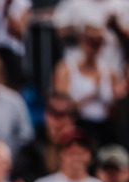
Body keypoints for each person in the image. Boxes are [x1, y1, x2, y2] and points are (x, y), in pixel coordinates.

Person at [52, 16, 123, 145]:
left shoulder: (110, 73)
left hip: (104, 130)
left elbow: (114, 111)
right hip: (77, 128)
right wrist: (91, 95)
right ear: (81, 41)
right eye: (91, 41)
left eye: (99, 42)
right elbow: (59, 107)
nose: (94, 46)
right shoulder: (66, 69)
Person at [11, 92, 76, 182]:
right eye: (54, 113)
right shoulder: (32, 146)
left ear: (72, 118)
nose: (58, 120)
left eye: (63, 114)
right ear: (46, 115)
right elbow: (20, 180)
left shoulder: (83, 145)